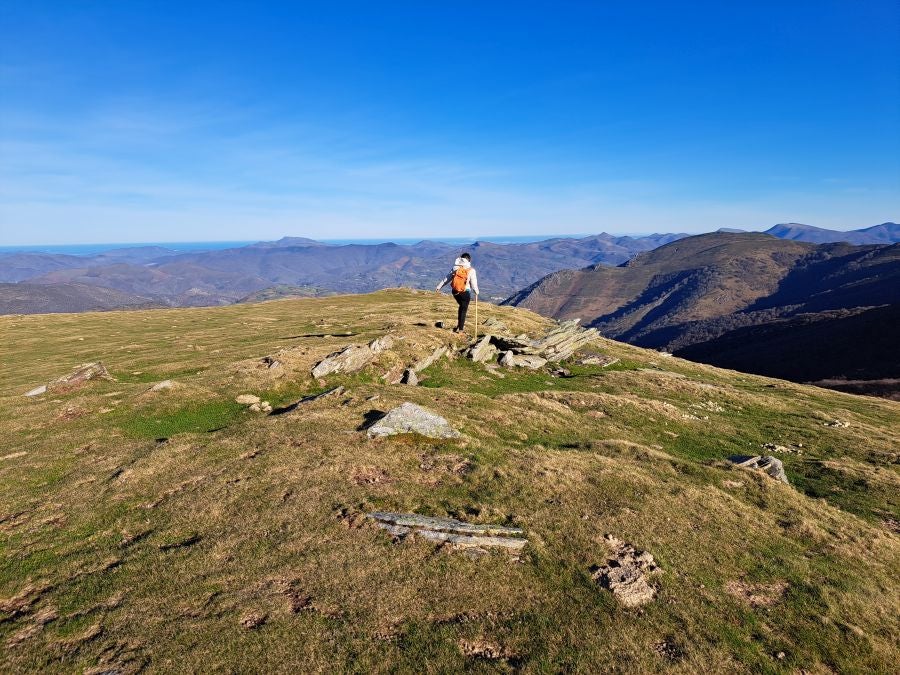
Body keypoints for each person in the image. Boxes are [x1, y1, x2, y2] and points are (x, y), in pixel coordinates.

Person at [436, 252, 480, 333]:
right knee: (463, 309)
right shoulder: (471, 270)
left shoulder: (455, 268)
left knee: (461, 307)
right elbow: (474, 283)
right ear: (469, 260)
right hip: (465, 293)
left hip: (455, 292)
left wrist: (439, 286)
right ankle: (461, 330)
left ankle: (459, 326)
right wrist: (476, 291)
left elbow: (447, 278)